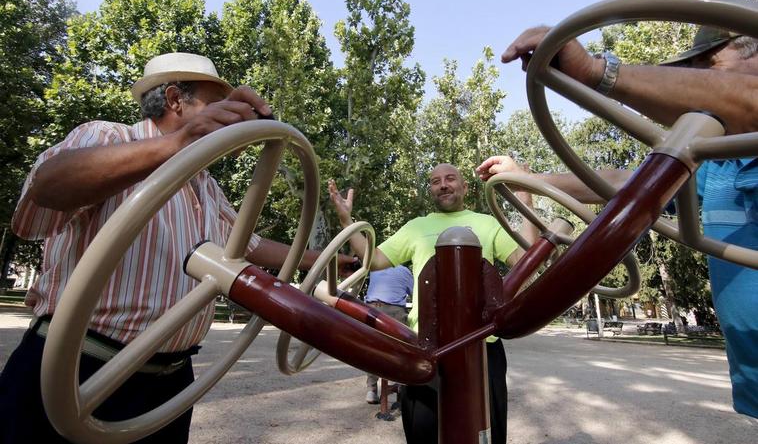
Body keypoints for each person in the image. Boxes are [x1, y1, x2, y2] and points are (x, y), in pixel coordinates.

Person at [0, 52, 355, 443]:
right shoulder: (111, 137)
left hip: (167, 385)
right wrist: (180, 143)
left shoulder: (205, 184)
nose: (227, 117)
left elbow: (247, 246)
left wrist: (324, 260)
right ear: (174, 99)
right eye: (215, 105)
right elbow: (46, 191)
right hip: (76, 372)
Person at [477, 25, 758, 419]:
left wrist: (596, 72)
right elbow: (626, 183)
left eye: (709, 68)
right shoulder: (719, 166)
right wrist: (529, 179)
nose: (701, 87)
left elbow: (747, 102)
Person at [329, 164, 537, 444]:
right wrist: (347, 221)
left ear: (465, 187)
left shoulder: (487, 224)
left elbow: (525, 261)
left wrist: (526, 199)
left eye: (450, 179)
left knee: (485, 432)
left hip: (482, 348)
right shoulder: (416, 227)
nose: (443, 185)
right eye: (435, 181)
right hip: (428, 347)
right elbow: (374, 260)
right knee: (422, 429)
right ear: (430, 190)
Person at [363, 265, 414, 404]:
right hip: (395, 312)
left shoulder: (375, 268)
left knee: (372, 350)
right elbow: (414, 294)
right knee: (402, 349)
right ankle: (401, 385)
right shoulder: (404, 271)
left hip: (372, 310)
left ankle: (371, 390)